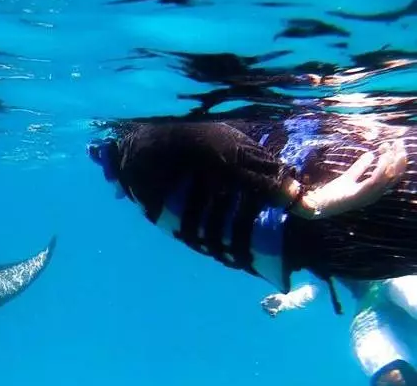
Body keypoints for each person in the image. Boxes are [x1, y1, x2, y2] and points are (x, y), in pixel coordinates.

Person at [87, 112, 413, 313]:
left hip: (333, 246)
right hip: (333, 190)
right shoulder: (142, 145)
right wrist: (303, 200)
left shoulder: (137, 181)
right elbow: (181, 132)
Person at [261, 275, 417, 386]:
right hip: (371, 305)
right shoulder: (325, 258)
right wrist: (287, 300)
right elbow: (318, 287)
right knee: (388, 376)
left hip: (397, 277)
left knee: (404, 289)